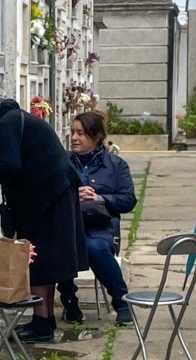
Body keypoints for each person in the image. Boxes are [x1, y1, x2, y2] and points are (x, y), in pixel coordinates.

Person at [0, 85, 87, 343]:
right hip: (54, 193)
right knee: (44, 258)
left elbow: (11, 165)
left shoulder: (4, 125)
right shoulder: (10, 119)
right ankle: (45, 319)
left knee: (38, 258)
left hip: (48, 197)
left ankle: (41, 326)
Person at [55, 111, 136, 325]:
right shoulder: (61, 162)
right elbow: (47, 194)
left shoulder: (116, 165)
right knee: (63, 246)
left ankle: (121, 302)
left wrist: (99, 198)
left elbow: (128, 200)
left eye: (80, 133)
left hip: (101, 226)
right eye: (73, 132)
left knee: (95, 247)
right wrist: (73, 195)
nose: (74, 137)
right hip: (68, 224)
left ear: (97, 136)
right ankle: (70, 302)